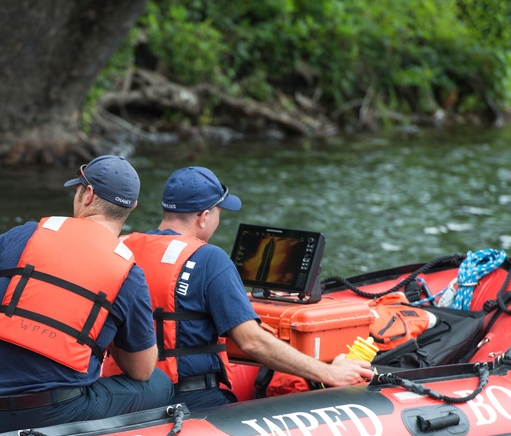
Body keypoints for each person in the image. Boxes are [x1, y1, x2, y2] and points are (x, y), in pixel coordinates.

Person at [0, 155, 173, 435]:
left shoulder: (24, 235)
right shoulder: (129, 273)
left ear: (88, 195)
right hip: (51, 416)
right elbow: (141, 371)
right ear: (132, 207)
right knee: (158, 383)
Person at [118, 166, 374, 410]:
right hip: (190, 399)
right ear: (204, 217)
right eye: (219, 212)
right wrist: (330, 372)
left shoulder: (124, 246)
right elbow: (252, 342)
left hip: (128, 392)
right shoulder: (209, 258)